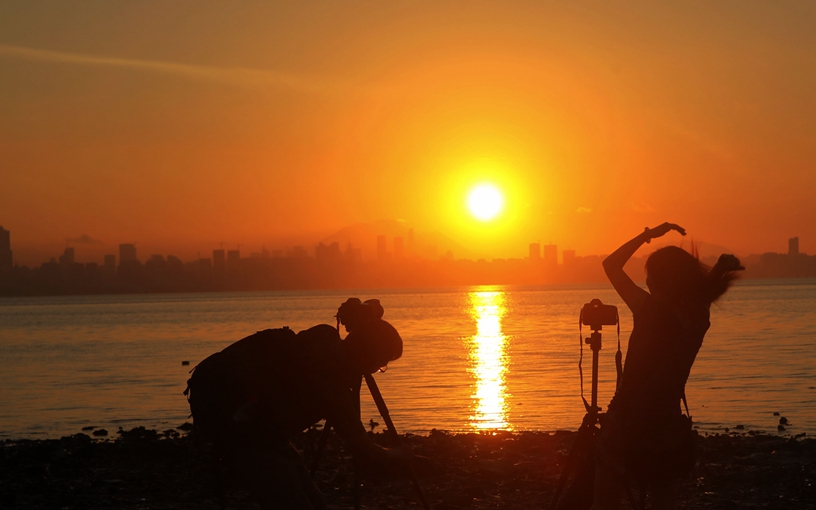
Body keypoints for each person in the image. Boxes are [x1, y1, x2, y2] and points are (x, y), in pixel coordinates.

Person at [593, 223, 743, 510]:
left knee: (605, 501)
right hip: (666, 423)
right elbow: (697, 296)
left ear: (659, 279)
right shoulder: (698, 316)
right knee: (664, 499)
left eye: (649, 275)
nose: (646, 281)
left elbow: (610, 264)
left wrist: (646, 235)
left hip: (626, 420)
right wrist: (717, 271)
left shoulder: (648, 310)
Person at [185, 315, 404, 509]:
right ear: (367, 355)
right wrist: (401, 455)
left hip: (259, 430)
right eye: (379, 365)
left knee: (316, 503)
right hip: (248, 439)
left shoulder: (322, 338)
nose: (377, 370)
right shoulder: (333, 388)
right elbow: (364, 449)